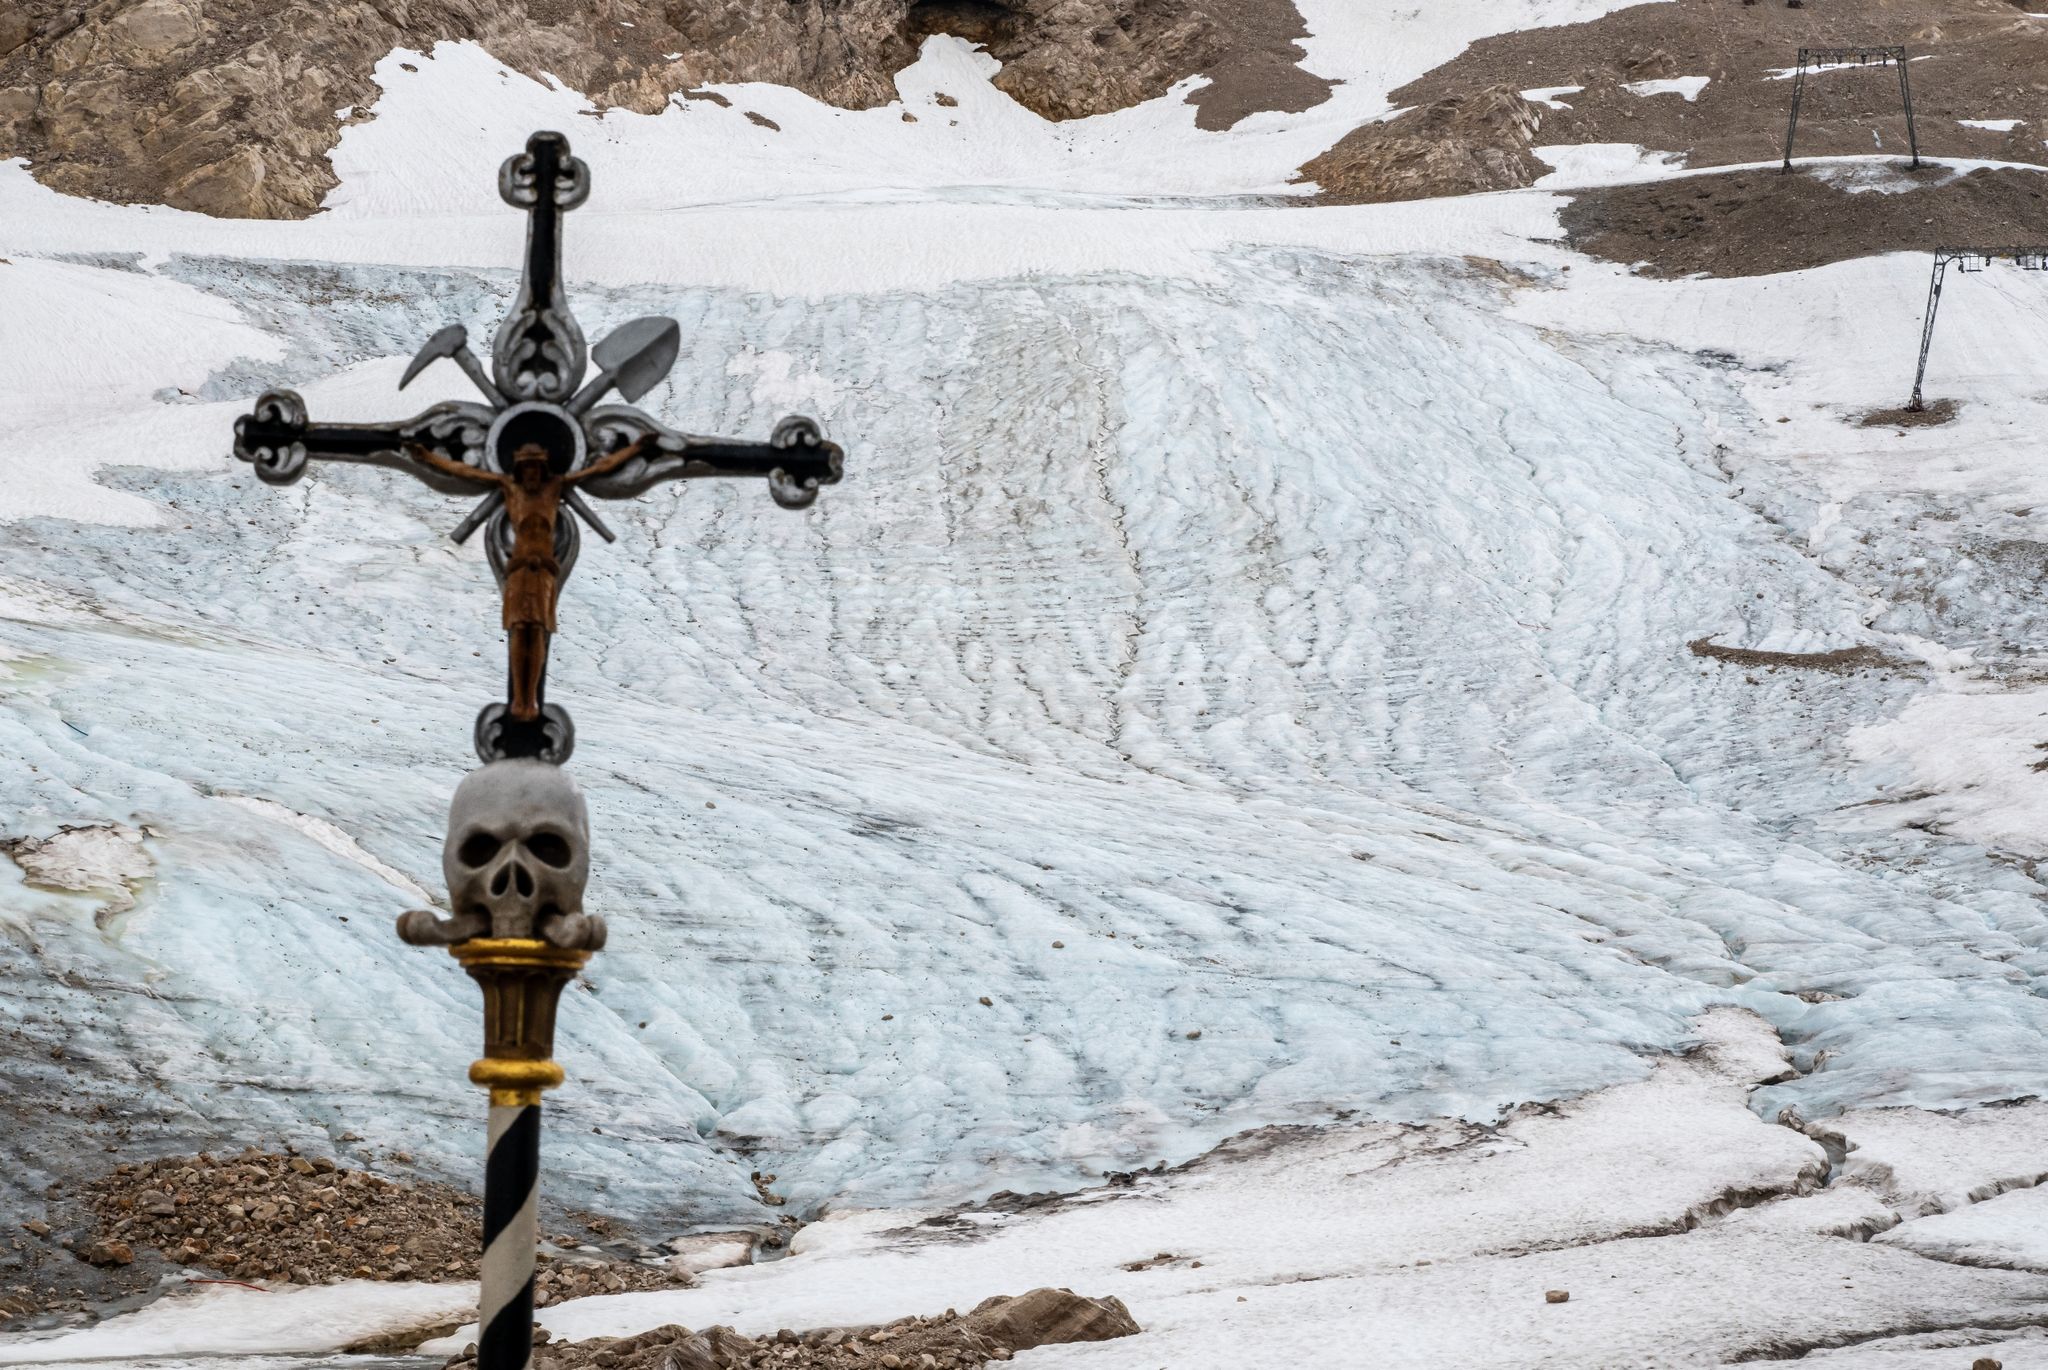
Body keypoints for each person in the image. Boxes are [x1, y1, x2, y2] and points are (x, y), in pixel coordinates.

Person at [405, 437, 648, 720]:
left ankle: (530, 699)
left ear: (542, 469)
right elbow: (467, 472)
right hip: (519, 567)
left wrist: (636, 448)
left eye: (535, 467)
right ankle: (520, 699)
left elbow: (598, 469)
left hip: (544, 568)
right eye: (526, 467)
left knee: (538, 630)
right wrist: (427, 456)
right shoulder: (510, 488)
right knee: (520, 629)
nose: (531, 473)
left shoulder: (555, 487)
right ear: (519, 470)